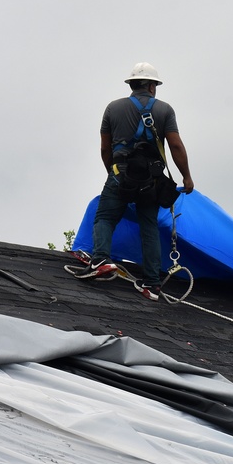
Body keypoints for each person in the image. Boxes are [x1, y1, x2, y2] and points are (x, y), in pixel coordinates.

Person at [77, 62, 195, 301]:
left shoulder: (113, 108)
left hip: (120, 173)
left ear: (131, 84)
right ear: (152, 86)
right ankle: (152, 284)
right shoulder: (165, 111)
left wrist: (113, 172)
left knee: (106, 217)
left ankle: (100, 259)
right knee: (148, 225)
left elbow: (104, 147)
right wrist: (186, 176)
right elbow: (175, 145)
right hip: (150, 179)